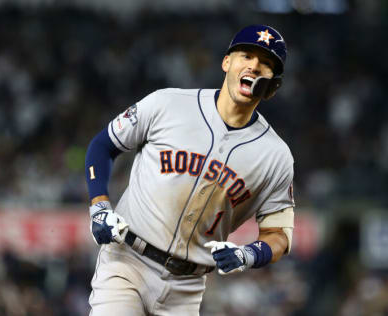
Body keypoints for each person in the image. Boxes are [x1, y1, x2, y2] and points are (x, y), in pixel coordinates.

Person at [84, 24, 295, 316]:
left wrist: (249, 254)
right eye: (246, 55)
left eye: (266, 64)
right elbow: (102, 145)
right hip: (127, 262)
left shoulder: (277, 156)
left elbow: (279, 236)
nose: (254, 66)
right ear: (227, 62)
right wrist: (99, 205)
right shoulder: (168, 103)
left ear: (273, 85)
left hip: (187, 288)